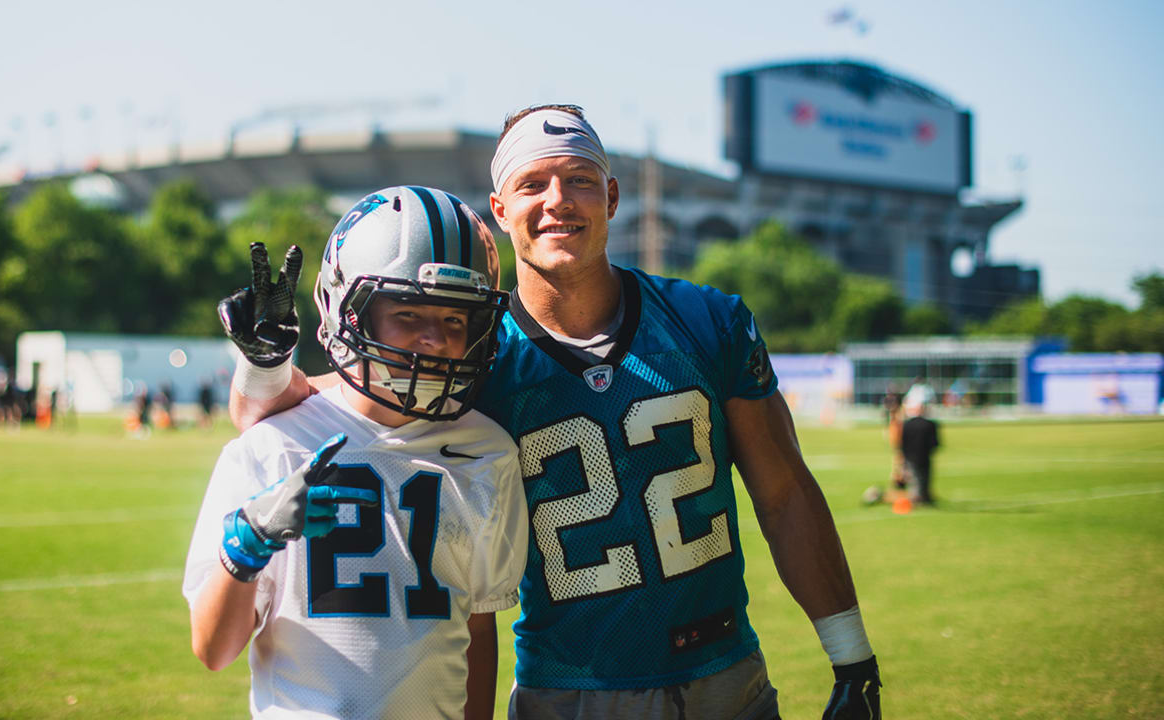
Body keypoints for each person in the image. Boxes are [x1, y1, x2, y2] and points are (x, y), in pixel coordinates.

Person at [222, 107, 881, 719]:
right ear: (501, 209)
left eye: (580, 180)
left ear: (612, 197)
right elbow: (313, 409)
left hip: (725, 678)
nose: (558, 201)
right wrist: (263, 362)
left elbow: (784, 491)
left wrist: (851, 655)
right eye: (534, 183)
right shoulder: (473, 356)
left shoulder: (708, 321)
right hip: (569, 692)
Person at [184, 186, 528, 720]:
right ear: (346, 309)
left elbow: (477, 631)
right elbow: (213, 650)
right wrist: (249, 540)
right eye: (409, 314)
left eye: (455, 319)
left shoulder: (487, 452)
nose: (434, 339)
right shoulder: (274, 445)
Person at [900, 397, 940, 506]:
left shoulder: (907, 424)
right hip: (925, 455)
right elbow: (935, 443)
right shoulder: (930, 424)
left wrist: (904, 456)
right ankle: (925, 497)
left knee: (914, 478)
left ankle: (917, 498)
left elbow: (903, 443)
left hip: (911, 456)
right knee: (925, 477)